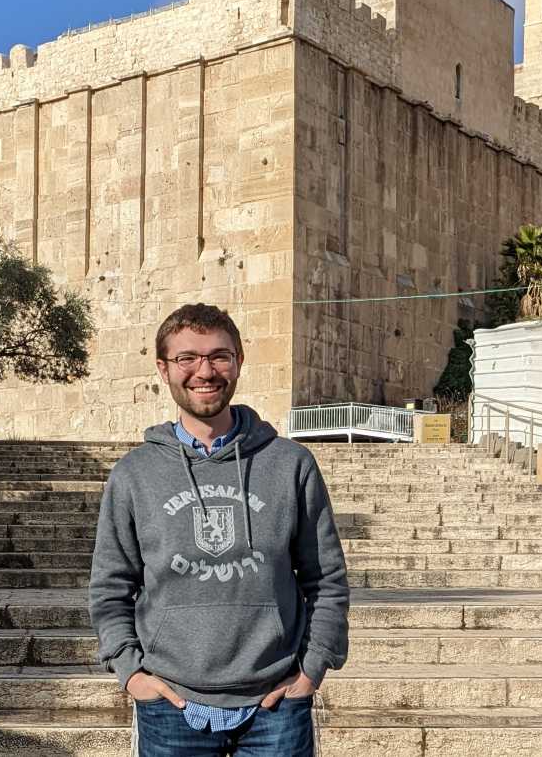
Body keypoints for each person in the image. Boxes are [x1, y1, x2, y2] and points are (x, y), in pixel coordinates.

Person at [89, 303, 350, 756]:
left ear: (239, 361)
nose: (204, 371)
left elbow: (325, 580)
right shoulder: (134, 474)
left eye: (218, 356)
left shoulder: (291, 466)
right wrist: (132, 673)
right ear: (163, 368)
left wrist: (311, 670)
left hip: (276, 704)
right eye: (187, 358)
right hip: (170, 701)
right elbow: (110, 587)